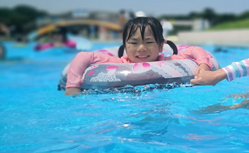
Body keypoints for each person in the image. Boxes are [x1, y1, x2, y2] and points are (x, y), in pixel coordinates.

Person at [65, 16, 214, 96]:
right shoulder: (117, 63)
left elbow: (195, 50)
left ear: (161, 45)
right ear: (125, 46)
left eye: (149, 42)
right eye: (134, 43)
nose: (141, 48)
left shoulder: (170, 62)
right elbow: (83, 56)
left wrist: (203, 65)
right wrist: (73, 86)